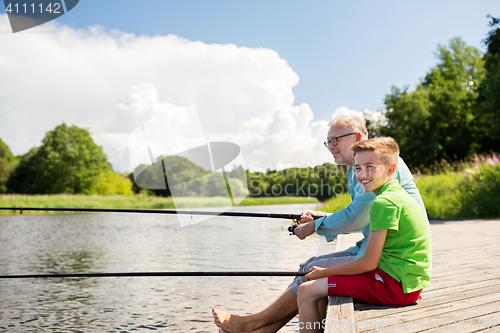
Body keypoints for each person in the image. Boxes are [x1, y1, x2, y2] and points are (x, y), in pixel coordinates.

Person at [212, 114, 427, 333]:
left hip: (389, 263)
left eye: (336, 140)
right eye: (328, 142)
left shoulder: (382, 168)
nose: (330, 146)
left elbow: (357, 216)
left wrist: (314, 226)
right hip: (382, 254)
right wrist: (320, 217)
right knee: (311, 269)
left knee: (310, 271)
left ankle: (253, 324)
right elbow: (363, 216)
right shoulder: (365, 171)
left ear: (357, 137)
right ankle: (259, 329)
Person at [298, 137, 431, 332]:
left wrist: (325, 272)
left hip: (394, 286)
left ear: (391, 168)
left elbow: (369, 263)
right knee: (318, 288)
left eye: (370, 167)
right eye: (358, 168)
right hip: (407, 282)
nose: (362, 174)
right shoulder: (398, 194)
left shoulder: (383, 203)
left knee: (306, 291)